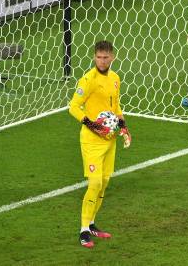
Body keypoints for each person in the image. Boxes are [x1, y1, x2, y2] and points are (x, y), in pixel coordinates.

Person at [69, 40, 132, 248]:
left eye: (105, 57)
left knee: (104, 183)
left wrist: (123, 128)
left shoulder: (115, 78)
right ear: (94, 57)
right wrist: (92, 125)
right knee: (94, 183)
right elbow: (74, 107)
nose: (102, 61)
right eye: (98, 57)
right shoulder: (88, 80)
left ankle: (93, 223)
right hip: (91, 141)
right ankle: (83, 230)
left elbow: (116, 106)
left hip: (109, 140)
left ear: (112, 57)